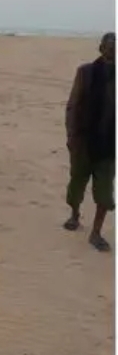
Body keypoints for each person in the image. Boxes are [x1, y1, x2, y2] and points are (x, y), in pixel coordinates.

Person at [63, 32, 115, 252]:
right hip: (84, 141)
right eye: (110, 46)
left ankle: (96, 232)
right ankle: (75, 214)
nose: (113, 50)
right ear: (101, 48)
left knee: (104, 192)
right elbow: (73, 106)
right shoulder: (86, 72)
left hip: (109, 145)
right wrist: (71, 136)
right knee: (77, 183)